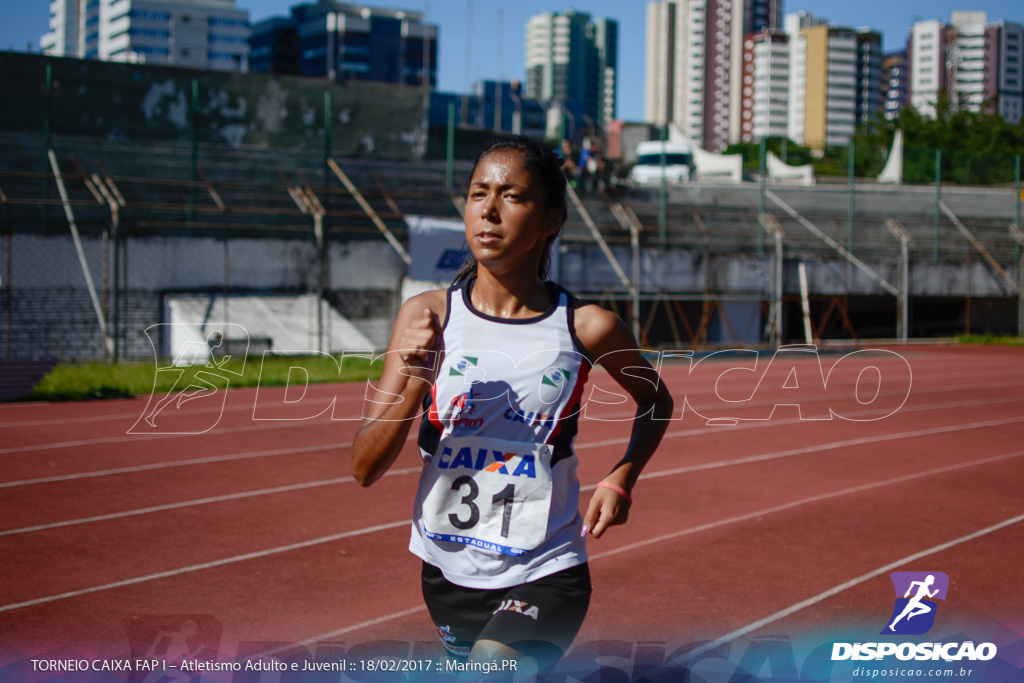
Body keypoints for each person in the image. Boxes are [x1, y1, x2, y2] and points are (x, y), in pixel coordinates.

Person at [351, 134, 673, 672]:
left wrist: (622, 477)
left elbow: (655, 400)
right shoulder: (426, 317)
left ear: (551, 218)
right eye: (479, 194)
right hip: (447, 567)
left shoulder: (587, 327)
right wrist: (413, 381)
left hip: (547, 567)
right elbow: (363, 466)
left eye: (513, 196)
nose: (490, 211)